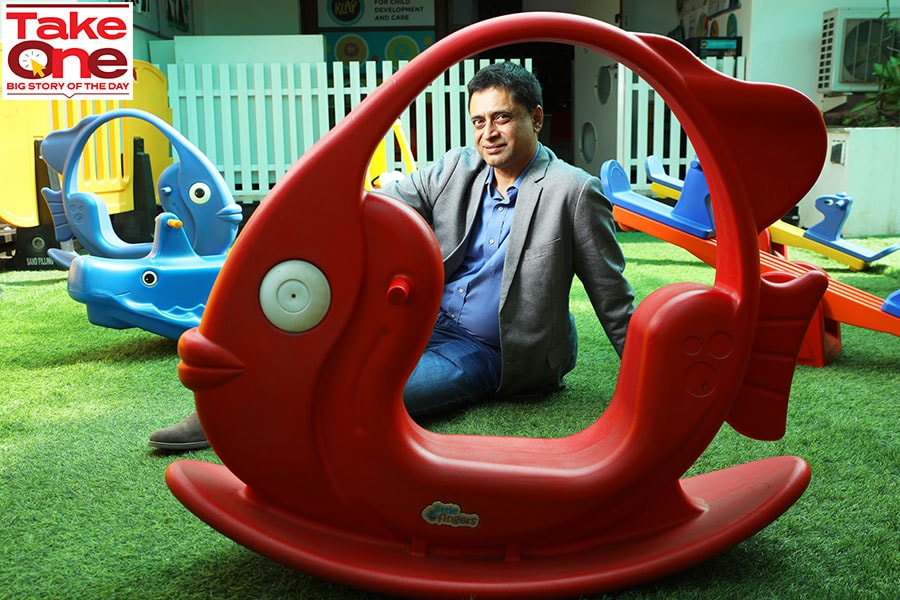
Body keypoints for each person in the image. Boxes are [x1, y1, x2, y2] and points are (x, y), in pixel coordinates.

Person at [148, 61, 634, 449]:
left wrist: (649, 385)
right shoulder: (453, 169)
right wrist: (305, 219)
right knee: (327, 342)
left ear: (536, 117)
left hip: (499, 350)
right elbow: (376, 207)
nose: (488, 132)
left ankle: (243, 421)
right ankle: (223, 408)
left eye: (502, 117)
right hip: (424, 320)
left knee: (373, 391)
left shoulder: (574, 191)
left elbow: (612, 299)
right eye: (479, 121)